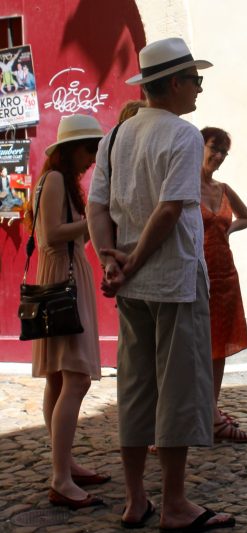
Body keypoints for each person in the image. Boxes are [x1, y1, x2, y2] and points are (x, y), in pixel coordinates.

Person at [87, 37, 234, 530]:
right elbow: (170, 209)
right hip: (172, 278)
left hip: (131, 285)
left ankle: (135, 500)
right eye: (195, 79)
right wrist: (129, 260)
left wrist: (111, 257)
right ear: (174, 82)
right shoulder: (183, 134)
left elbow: (97, 206)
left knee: (134, 387)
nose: (198, 88)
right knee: (176, 390)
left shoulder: (116, 135)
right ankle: (173, 503)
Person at [27, 114, 106, 510]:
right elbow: (50, 235)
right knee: (74, 380)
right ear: (70, 149)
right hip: (63, 281)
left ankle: (65, 462)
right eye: (89, 149)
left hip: (64, 278)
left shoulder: (56, 180)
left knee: (59, 380)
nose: (92, 158)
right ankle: (60, 476)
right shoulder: (56, 180)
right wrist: (92, 221)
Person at [199, 126, 247, 441]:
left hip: (224, 274)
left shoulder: (223, 188)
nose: (218, 157)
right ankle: (191, 414)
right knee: (194, 346)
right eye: (213, 148)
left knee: (218, 347)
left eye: (223, 152)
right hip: (196, 274)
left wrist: (229, 230)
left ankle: (211, 411)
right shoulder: (186, 184)